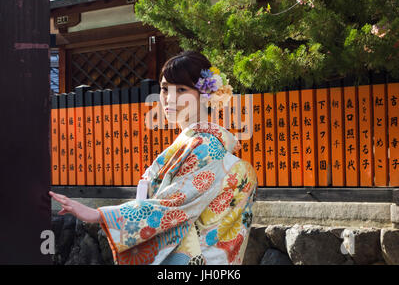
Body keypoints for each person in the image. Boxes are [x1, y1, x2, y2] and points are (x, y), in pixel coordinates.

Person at [50, 51, 258, 265]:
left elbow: (172, 206)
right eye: (165, 88)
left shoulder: (206, 147)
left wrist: (99, 215)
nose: (170, 98)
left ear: (204, 95)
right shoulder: (195, 143)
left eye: (182, 90)